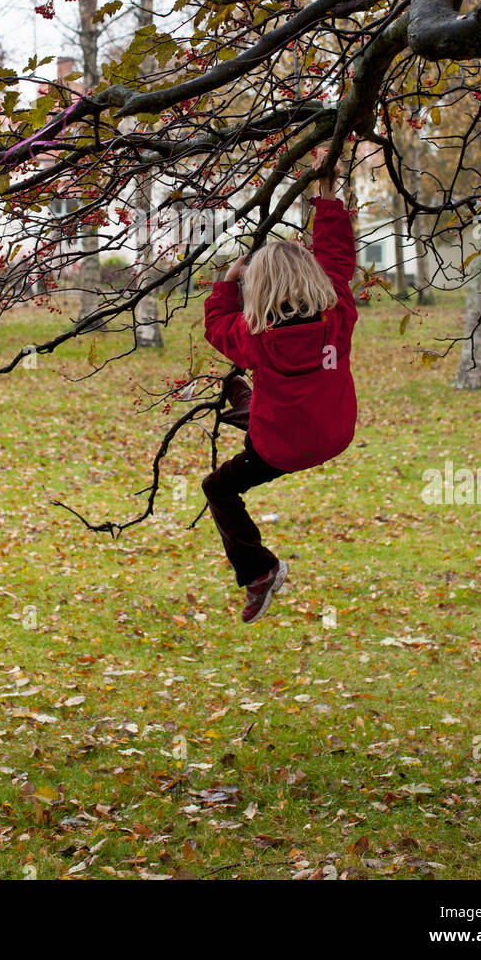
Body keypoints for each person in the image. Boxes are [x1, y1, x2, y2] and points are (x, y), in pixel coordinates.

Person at [201, 153, 358, 622]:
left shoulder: (255, 340)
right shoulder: (339, 317)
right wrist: (326, 199)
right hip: (333, 433)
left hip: (280, 448)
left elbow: (217, 328)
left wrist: (227, 284)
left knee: (218, 489)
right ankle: (240, 398)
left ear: (260, 289)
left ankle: (260, 570)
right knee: (253, 397)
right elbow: (337, 257)